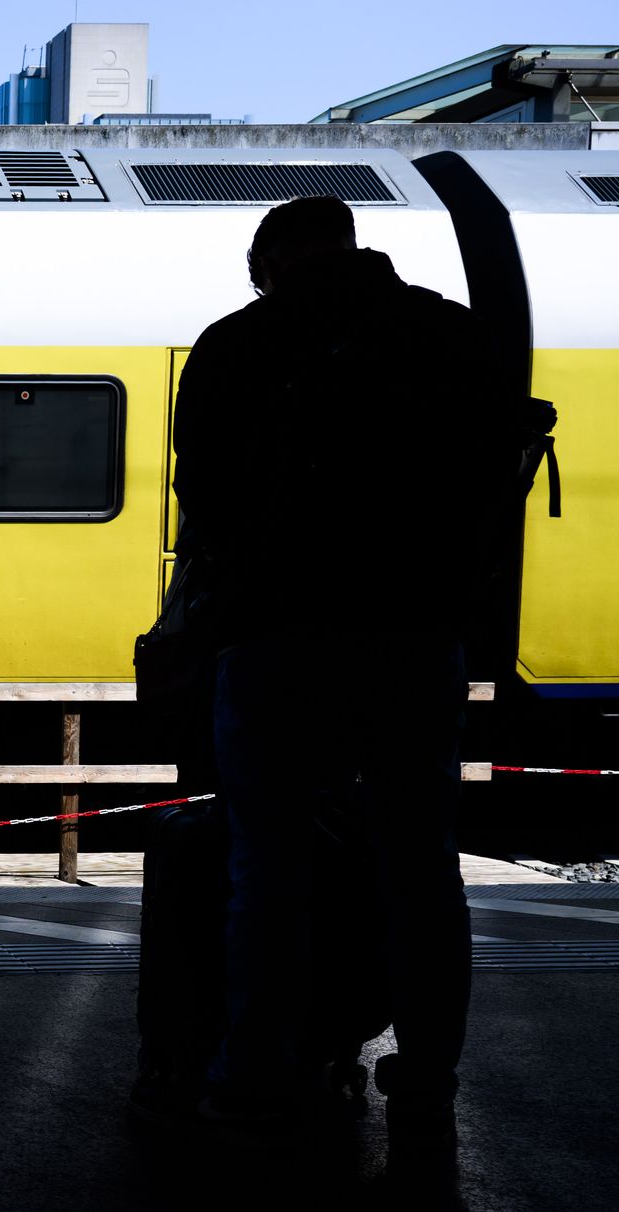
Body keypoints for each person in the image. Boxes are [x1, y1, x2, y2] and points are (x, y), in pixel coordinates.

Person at [171, 197, 525, 1179]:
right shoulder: (445, 335)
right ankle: (425, 1079)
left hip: (273, 637)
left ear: (269, 263)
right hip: (415, 640)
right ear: (352, 250)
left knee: (267, 870)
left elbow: (200, 497)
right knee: (418, 868)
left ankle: (254, 1077)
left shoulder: (236, 345)